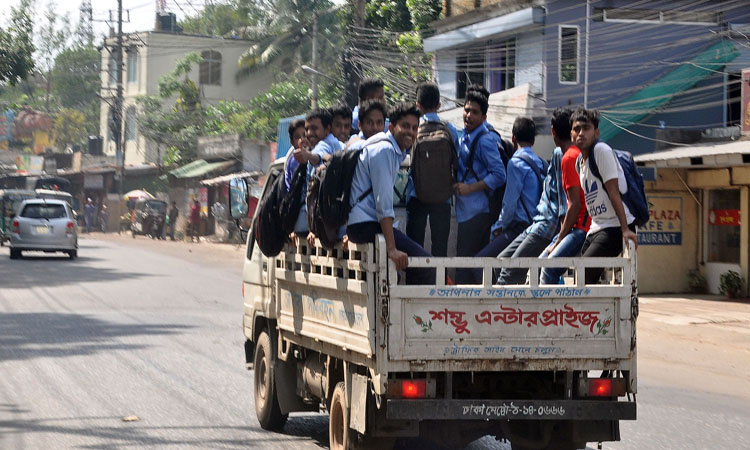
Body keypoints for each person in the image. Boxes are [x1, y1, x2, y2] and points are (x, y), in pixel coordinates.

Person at [347, 102, 434, 285]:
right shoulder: (385, 150)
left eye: (414, 128)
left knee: (396, 273)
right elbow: (383, 203)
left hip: (363, 224)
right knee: (425, 265)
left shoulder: (390, 149)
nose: (410, 132)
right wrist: (392, 248)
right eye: (405, 126)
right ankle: (413, 312)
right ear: (392, 127)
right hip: (365, 224)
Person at [495, 108, 572, 285]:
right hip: (535, 225)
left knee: (507, 272)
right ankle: (516, 306)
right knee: (500, 261)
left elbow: (563, 202)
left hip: (545, 228)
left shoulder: (561, 155)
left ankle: (501, 310)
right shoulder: (540, 161)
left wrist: (559, 240)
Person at [472, 117, 546, 284]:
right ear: (533, 140)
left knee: (479, 263)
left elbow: (510, 204)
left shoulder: (516, 163)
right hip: (538, 229)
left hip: (519, 228)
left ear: (513, 138)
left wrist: (498, 228)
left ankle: (490, 304)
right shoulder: (542, 163)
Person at [573, 108, 638, 284]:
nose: (581, 133)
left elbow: (613, 191)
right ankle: (595, 312)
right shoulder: (580, 162)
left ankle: (598, 312)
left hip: (615, 226)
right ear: (571, 134)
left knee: (584, 275)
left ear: (596, 132)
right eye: (576, 129)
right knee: (581, 277)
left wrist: (625, 229)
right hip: (597, 227)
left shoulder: (601, 151)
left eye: (586, 128)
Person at [454, 89, 506, 283]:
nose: (469, 115)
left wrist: (470, 188)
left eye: (475, 112)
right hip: (466, 211)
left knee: (466, 269)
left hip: (478, 212)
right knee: (466, 265)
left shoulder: (485, 140)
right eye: (467, 110)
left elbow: (500, 175)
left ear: (484, 117)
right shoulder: (463, 137)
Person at [405, 81, 458, 257]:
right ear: (439, 105)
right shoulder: (450, 130)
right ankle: (439, 282)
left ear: (418, 106)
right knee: (440, 247)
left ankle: (415, 282)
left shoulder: (413, 130)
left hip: (416, 195)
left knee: (414, 246)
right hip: (443, 198)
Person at [539, 109, 592, 284]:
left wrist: (560, 238)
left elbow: (575, 204)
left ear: (554, 132)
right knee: (540, 263)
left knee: (548, 269)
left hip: (580, 229)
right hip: (580, 226)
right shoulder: (578, 153)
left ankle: (551, 311)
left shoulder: (569, 157)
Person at [291, 109, 344, 238]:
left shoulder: (325, 144)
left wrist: (308, 155)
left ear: (327, 129)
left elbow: (319, 156)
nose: (309, 133)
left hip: (327, 221)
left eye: (314, 128)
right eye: (307, 129)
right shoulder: (336, 143)